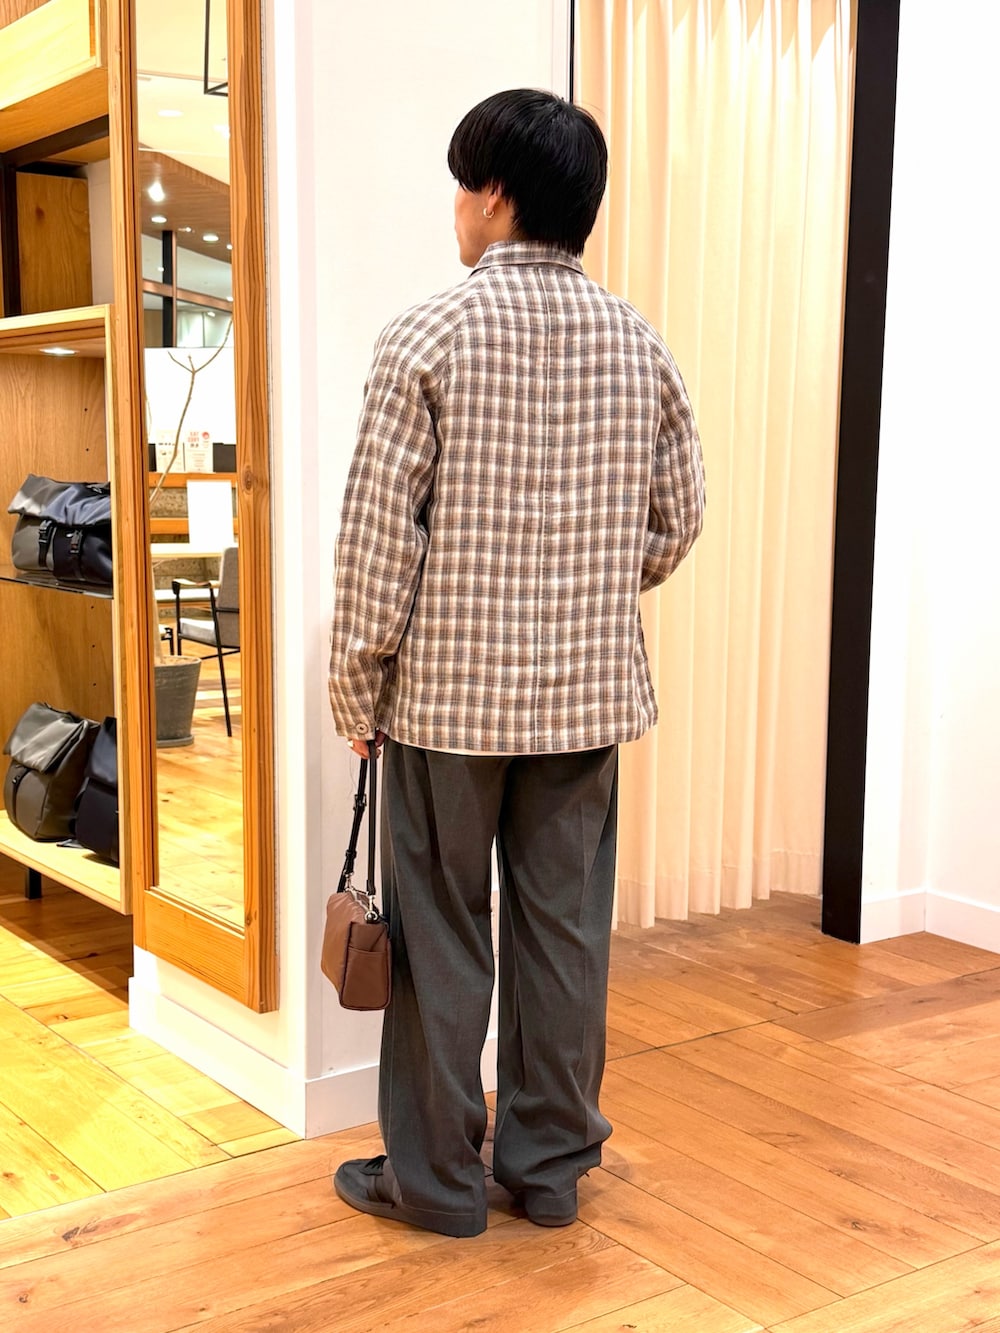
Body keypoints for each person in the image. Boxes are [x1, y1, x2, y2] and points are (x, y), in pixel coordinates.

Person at [328, 88, 705, 1239]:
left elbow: (377, 543)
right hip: (587, 703)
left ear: (495, 195)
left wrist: (356, 685)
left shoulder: (426, 337)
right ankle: (547, 1168)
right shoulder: (639, 344)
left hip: (446, 705)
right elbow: (676, 520)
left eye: (461, 184)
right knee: (564, 934)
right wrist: (587, 591)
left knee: (441, 937)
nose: (454, 206)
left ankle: (438, 1183)